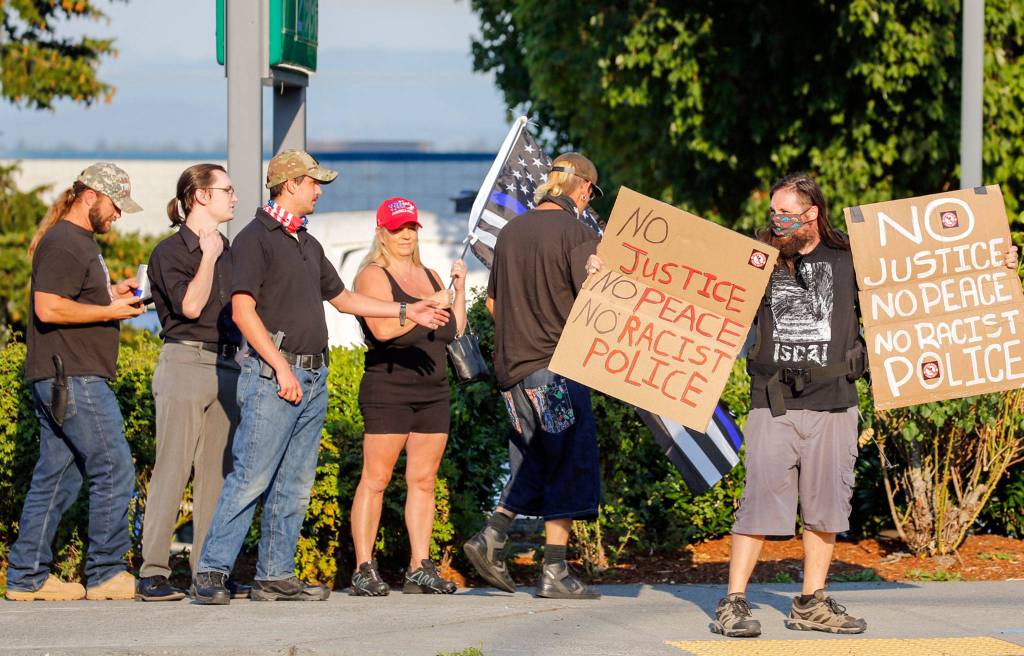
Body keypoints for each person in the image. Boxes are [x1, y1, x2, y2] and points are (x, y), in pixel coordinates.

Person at [713, 173, 1020, 637]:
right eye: (773, 213)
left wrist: (993, 263)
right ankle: (733, 602)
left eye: (786, 214)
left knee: (826, 508)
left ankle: (811, 601)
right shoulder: (759, 260)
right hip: (772, 402)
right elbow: (693, 284)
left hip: (835, 402)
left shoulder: (849, 259)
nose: (777, 222)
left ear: (812, 213)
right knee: (757, 504)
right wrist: (602, 268)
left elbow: (922, 278)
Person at [191, 150, 450, 604]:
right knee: (251, 476)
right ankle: (210, 572)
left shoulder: (306, 243)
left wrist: (409, 308)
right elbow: (242, 310)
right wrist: (280, 366)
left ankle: (275, 575)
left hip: (313, 376)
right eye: (313, 184)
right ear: (289, 185)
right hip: (277, 376)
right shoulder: (256, 238)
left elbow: (345, 299)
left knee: (295, 481)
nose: (319, 191)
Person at [462, 152, 604, 599]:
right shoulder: (577, 233)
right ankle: (554, 572)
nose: (589, 199)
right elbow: (594, 305)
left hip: (513, 375)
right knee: (565, 461)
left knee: (537, 457)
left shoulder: (511, 233)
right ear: (581, 188)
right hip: (556, 370)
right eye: (591, 192)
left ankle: (494, 535)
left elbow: (492, 304)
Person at [5, 163, 145, 601]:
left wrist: (111, 294)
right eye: (115, 205)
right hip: (74, 378)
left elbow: (71, 299)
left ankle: (26, 578)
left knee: (58, 476)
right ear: (90, 196)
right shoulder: (65, 243)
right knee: (114, 466)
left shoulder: (75, 243)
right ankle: (105, 571)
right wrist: (109, 311)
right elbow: (48, 308)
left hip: (64, 376)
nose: (118, 215)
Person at [136, 164, 248, 601]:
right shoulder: (170, 251)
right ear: (200, 196)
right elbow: (190, 305)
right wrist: (208, 255)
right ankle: (153, 571)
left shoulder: (232, 247)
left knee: (216, 477)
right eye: (227, 190)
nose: (235, 198)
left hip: (227, 366)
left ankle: (208, 571)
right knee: (173, 469)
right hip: (184, 361)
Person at [348, 197, 467, 596]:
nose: (405, 235)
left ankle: (419, 566)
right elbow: (381, 331)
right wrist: (421, 307)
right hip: (389, 389)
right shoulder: (372, 275)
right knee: (377, 479)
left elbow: (455, 330)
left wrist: (458, 289)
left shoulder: (431, 275)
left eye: (411, 227)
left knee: (424, 480)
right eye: (397, 228)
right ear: (382, 232)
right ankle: (364, 566)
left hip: (433, 390)